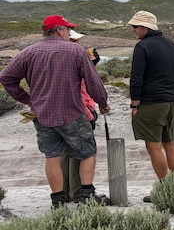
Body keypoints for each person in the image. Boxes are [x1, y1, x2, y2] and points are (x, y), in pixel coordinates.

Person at [0, 15, 111, 208]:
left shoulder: (29, 52)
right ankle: (86, 196)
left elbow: (6, 77)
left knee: (52, 155)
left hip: (43, 114)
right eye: (68, 29)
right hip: (72, 113)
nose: (69, 33)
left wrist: (27, 100)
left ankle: (58, 201)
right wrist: (102, 102)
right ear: (59, 30)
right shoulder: (75, 51)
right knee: (87, 152)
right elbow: (93, 82)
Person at [128, 11, 174, 202]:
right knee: (170, 143)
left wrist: (134, 102)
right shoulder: (170, 44)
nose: (133, 30)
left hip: (151, 101)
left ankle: (166, 190)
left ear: (145, 27)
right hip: (172, 99)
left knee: (154, 147)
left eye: (135, 27)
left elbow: (136, 76)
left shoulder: (142, 46)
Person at [61, 29, 109, 204]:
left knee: (64, 152)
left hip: (62, 112)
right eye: (74, 41)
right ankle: (78, 192)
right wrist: (92, 109)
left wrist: (92, 64)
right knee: (81, 152)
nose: (78, 44)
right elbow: (85, 86)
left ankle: (65, 192)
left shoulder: (62, 57)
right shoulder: (74, 56)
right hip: (80, 110)